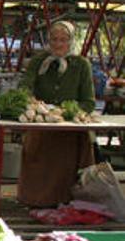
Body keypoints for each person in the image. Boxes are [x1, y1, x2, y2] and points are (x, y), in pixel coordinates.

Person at [17, 20, 96, 207]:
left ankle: (66, 203)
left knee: (66, 168)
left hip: (70, 131)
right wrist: (33, 105)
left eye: (63, 40)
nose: (58, 44)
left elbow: (89, 101)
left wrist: (69, 112)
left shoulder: (81, 65)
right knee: (38, 163)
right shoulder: (39, 62)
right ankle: (36, 201)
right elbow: (25, 87)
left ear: (70, 42)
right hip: (42, 125)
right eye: (54, 39)